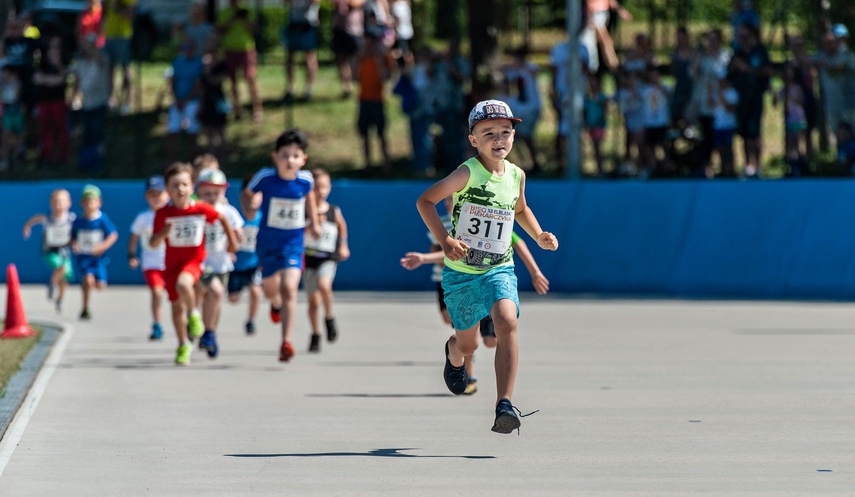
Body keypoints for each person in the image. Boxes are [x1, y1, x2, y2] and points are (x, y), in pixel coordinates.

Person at [415, 99, 559, 434]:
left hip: (499, 269)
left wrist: (538, 236)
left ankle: (504, 404)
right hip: (462, 275)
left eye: (506, 132)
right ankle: (453, 352)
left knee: (507, 320)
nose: (499, 138)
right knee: (469, 346)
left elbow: (520, 209)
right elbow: (425, 200)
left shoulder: (516, 175)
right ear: (474, 140)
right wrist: (446, 240)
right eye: (489, 132)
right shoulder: (467, 171)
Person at [401, 196, 550, 395]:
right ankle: (469, 374)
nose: (448, 204)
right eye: (446, 201)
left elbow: (518, 241)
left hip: (490, 283)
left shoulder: (494, 220)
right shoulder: (450, 224)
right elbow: (443, 248)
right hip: (458, 281)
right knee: (465, 339)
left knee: (493, 339)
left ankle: (503, 400)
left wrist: (535, 270)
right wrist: (431, 256)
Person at [243, 129, 321, 362]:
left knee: (289, 288)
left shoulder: (306, 180)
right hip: (267, 245)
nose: (290, 160)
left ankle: (286, 342)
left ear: (303, 159)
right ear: (275, 156)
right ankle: (275, 305)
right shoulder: (265, 178)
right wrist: (251, 204)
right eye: (285, 155)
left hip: (293, 245)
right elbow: (247, 195)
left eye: (295, 156)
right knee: (271, 291)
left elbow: (310, 198)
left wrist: (315, 222)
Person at [150, 161, 238, 366]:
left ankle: (194, 315)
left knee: (184, 285)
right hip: (171, 265)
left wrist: (232, 242)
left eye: (184, 185)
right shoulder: (162, 214)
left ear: (192, 187)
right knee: (175, 307)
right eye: (174, 185)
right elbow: (154, 243)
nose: (180, 189)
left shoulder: (200, 208)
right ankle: (183, 344)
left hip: (194, 261)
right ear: (167, 189)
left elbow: (222, 218)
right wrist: (164, 233)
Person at [195, 168, 244, 358]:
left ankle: (210, 331)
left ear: (223, 191)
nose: (211, 197)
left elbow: (238, 231)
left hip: (221, 262)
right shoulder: (196, 210)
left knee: (215, 297)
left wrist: (237, 238)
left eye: (216, 192)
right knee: (211, 292)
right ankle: (198, 323)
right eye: (207, 193)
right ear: (199, 192)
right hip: (200, 262)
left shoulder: (228, 212)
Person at [304, 168, 350, 352]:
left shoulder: (333, 210)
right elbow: (297, 233)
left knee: (324, 285)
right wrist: (310, 228)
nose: (320, 192)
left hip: (327, 257)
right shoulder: (303, 211)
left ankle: (329, 317)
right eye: (316, 188)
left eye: (324, 187)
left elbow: (342, 226)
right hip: (308, 257)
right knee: (313, 301)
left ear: (329, 188)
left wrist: (343, 245)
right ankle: (315, 333)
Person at [128, 176, 169, 339]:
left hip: (170, 261)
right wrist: (131, 255)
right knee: (157, 293)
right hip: (151, 262)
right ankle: (157, 324)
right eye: (152, 194)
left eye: (159, 193)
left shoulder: (172, 215)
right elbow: (134, 238)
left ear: (167, 194)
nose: (156, 198)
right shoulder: (143, 217)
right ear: (146, 197)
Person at [728, 24, 771, 178]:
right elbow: (728, 75)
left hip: (755, 97)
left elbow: (767, 71)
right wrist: (734, 67)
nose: (742, 39)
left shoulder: (760, 51)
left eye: (745, 36)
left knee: (755, 132)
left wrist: (748, 69)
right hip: (740, 98)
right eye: (740, 36)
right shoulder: (737, 52)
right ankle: (748, 166)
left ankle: (758, 166)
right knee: (744, 133)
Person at [22, 189, 76, 312]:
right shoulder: (47, 218)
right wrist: (27, 227)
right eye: (56, 202)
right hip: (50, 251)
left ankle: (60, 299)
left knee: (65, 278)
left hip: (64, 252)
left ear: (69, 203)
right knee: (62, 268)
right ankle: (52, 284)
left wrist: (75, 243)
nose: (59, 205)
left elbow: (77, 233)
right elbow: (35, 219)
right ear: (51, 204)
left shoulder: (71, 219)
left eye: (62, 202)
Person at [71, 185, 119, 320]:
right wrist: (73, 244)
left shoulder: (102, 219)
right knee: (87, 278)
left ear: (99, 202)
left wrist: (102, 246)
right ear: (81, 203)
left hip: (98, 258)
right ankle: (85, 307)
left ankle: (94, 283)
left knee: (101, 286)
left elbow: (113, 235)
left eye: (92, 200)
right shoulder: (78, 221)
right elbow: (72, 237)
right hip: (84, 257)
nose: (89, 204)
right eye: (86, 201)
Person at [217, 0, 263, 122]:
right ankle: (237, 109)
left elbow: (254, 29)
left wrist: (244, 19)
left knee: (250, 78)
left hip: (246, 49)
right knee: (232, 81)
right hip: (229, 49)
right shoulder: (224, 12)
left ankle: (257, 109)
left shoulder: (247, 11)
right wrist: (232, 19)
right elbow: (221, 30)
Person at [69, 34, 110, 171]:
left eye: (90, 45)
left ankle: (99, 162)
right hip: (86, 104)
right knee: (87, 135)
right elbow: (76, 80)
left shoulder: (102, 58)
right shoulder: (80, 62)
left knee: (97, 133)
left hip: (99, 103)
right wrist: (73, 97)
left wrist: (92, 48)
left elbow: (101, 61)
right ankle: (86, 163)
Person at [228, 177, 263, 335]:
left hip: (254, 264)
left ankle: (251, 320)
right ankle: (236, 290)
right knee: (233, 299)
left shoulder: (263, 218)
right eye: (248, 195)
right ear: (242, 195)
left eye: (256, 194)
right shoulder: (235, 217)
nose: (252, 199)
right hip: (236, 264)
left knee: (256, 291)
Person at [356, 32, 393, 171]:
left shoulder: (382, 59)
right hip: (363, 100)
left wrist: (378, 60)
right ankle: (367, 163)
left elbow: (384, 78)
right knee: (364, 133)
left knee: (381, 133)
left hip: (377, 100)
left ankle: (386, 163)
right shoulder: (361, 59)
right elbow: (355, 76)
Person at [33, 36, 70, 167]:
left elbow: (63, 79)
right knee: (45, 131)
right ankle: (46, 158)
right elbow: (37, 78)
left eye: (57, 47)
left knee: (61, 130)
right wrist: (52, 80)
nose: (54, 50)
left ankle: (62, 159)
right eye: (51, 47)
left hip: (58, 101)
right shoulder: (41, 61)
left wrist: (58, 66)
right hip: (44, 101)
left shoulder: (64, 61)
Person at [166, 38, 203, 162]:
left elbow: (198, 86)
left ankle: (193, 162)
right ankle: (171, 163)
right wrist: (177, 99)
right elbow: (173, 82)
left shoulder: (198, 63)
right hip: (177, 101)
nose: (186, 52)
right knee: (172, 131)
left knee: (192, 133)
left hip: (192, 102)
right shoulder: (177, 62)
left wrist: (185, 101)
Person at [103, 0, 137, 114]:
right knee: (109, 70)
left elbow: (130, 14)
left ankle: (126, 102)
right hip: (109, 35)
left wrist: (116, 7)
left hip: (123, 36)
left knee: (125, 69)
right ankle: (110, 99)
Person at [283, 0, 320, 102]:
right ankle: (290, 88)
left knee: (310, 58)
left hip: (308, 25)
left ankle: (309, 89)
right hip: (294, 23)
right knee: (290, 58)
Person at [198, 40, 230, 157]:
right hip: (207, 102)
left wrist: (208, 70)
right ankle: (211, 157)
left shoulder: (221, 65)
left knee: (220, 131)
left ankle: (223, 158)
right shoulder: (202, 65)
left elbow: (217, 82)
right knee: (208, 132)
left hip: (218, 101)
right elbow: (200, 86)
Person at [331, 0, 365, 98]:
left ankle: (359, 85)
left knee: (356, 60)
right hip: (339, 28)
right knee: (341, 59)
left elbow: (356, 3)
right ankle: (346, 87)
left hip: (354, 30)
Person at [711, 72, 738, 177]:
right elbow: (710, 104)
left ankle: (730, 169)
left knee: (728, 148)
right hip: (718, 125)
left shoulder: (732, 93)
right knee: (720, 147)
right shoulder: (716, 92)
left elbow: (730, 108)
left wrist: (722, 98)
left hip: (728, 125)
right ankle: (723, 168)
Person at [583, 73, 609, 176]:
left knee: (599, 148)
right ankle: (598, 169)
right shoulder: (588, 98)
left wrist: (599, 122)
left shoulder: (601, 97)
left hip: (599, 126)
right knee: (594, 148)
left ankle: (601, 169)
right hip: (591, 126)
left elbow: (605, 109)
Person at [0, 64, 23, 170]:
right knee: (6, 137)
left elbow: (14, 97)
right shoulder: (2, 84)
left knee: (18, 137)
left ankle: (15, 159)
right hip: (8, 114)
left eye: (5, 72)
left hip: (17, 113)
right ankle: (5, 160)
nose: (3, 75)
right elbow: (4, 99)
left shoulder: (16, 83)